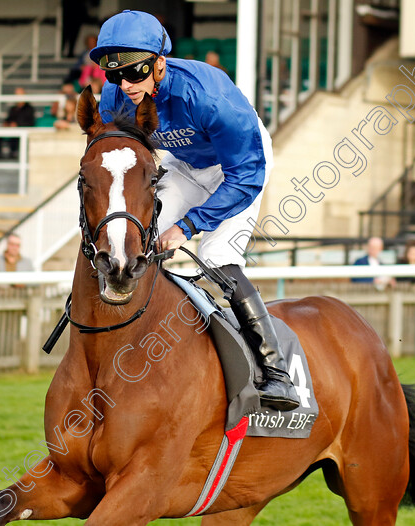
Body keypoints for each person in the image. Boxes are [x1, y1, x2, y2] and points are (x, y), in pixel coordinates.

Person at [91, 10, 297, 411]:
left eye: (134, 73)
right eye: (115, 76)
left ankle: (276, 373)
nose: (125, 85)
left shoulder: (209, 97)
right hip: (185, 165)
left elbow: (246, 175)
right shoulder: (117, 96)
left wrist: (188, 225)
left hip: (238, 167)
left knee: (215, 257)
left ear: (160, 63)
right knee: (135, 241)